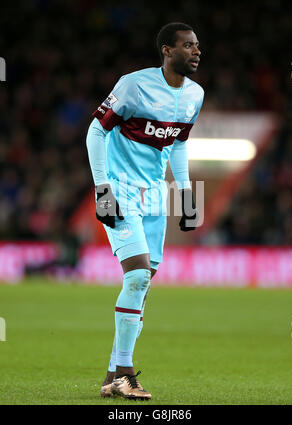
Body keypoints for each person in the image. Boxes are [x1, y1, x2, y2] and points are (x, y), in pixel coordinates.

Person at [86, 22, 204, 400]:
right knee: (136, 276)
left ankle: (112, 374)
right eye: (188, 45)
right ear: (167, 51)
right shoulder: (133, 85)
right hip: (120, 191)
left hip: (155, 197)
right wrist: (103, 189)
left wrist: (185, 194)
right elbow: (96, 131)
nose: (196, 51)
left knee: (143, 285)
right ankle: (124, 373)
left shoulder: (194, 96)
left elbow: (179, 145)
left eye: (198, 46)